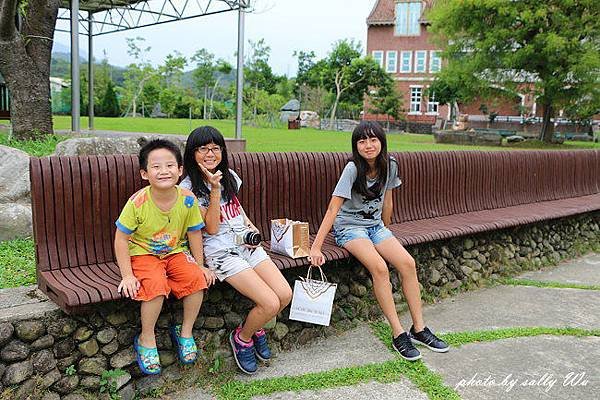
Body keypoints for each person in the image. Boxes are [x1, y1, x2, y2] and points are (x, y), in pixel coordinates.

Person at [309, 121, 449, 361]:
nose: (368, 145)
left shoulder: (390, 165)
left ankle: (419, 329)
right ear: (356, 146)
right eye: (362, 141)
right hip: (350, 228)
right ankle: (398, 333)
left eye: (373, 140)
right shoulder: (352, 169)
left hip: (375, 227)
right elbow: (333, 209)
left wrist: (385, 231)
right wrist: (315, 246)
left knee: (408, 263)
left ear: (382, 142)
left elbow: (388, 201)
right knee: (380, 268)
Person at [181, 126, 292, 375]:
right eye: (203, 149)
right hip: (220, 252)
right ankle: (242, 338)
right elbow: (210, 228)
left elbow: (236, 209)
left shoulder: (228, 174)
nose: (210, 154)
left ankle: (256, 326)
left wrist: (252, 229)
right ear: (192, 153)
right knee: (269, 302)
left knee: (284, 295)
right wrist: (214, 189)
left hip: (244, 244)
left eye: (215, 148)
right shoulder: (187, 189)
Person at [115, 139, 216, 375]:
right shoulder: (137, 202)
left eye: (170, 165)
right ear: (144, 173)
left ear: (180, 170)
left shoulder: (187, 198)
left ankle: (186, 332)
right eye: (156, 167)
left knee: (196, 280)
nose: (164, 171)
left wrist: (200, 265)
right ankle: (146, 337)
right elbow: (121, 239)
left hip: (175, 252)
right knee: (155, 286)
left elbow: (194, 232)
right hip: (143, 254)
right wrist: (127, 275)